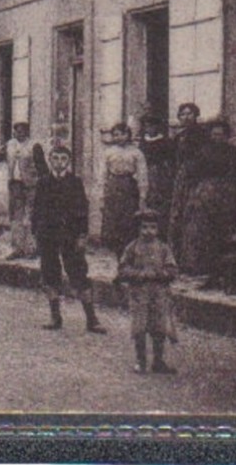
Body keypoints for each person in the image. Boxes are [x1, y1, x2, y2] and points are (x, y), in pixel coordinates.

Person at [31, 144, 106, 334]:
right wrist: (35, 234)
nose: (59, 163)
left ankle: (92, 319)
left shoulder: (75, 182)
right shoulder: (43, 182)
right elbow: (36, 210)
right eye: (55, 158)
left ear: (68, 161)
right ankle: (55, 316)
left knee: (79, 272)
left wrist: (82, 235)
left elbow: (82, 211)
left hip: (70, 235)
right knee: (49, 272)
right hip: (47, 235)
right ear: (50, 160)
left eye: (63, 159)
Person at [176, 118, 236, 276]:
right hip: (205, 193)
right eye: (215, 134)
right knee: (201, 229)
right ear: (210, 135)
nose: (218, 137)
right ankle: (200, 265)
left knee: (226, 228)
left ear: (227, 136)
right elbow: (192, 174)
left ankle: (224, 266)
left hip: (227, 194)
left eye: (221, 134)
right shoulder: (203, 152)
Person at [115, 210, 178, 374]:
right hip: (139, 293)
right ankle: (141, 361)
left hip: (159, 293)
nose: (148, 231)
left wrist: (159, 274)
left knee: (159, 327)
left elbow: (172, 270)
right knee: (139, 326)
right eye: (144, 227)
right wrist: (139, 274)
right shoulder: (132, 247)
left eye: (153, 227)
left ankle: (158, 361)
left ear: (158, 229)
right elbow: (122, 269)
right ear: (138, 229)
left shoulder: (164, 249)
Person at [0, 122, 49, 260]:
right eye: (16, 131)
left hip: (30, 186)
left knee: (30, 217)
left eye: (21, 131)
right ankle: (17, 248)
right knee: (16, 218)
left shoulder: (34, 146)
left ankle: (31, 248)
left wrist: (40, 185)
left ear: (27, 132)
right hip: (15, 185)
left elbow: (43, 169)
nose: (18, 134)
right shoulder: (10, 145)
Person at [99, 123, 148, 255]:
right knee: (113, 225)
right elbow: (102, 175)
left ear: (128, 135)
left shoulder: (136, 152)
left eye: (122, 134)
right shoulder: (108, 152)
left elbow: (142, 175)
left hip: (129, 188)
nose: (119, 137)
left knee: (128, 223)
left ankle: (128, 255)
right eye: (115, 135)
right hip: (113, 188)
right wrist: (101, 197)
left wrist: (142, 197)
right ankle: (117, 254)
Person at [167, 103, 208, 262]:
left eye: (189, 114)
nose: (186, 117)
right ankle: (177, 257)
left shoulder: (203, 136)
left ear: (196, 115)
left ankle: (194, 258)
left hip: (197, 179)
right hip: (180, 180)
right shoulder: (179, 137)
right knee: (178, 215)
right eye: (182, 114)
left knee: (194, 217)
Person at [137, 113, 178, 240]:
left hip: (160, 175)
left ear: (158, 127)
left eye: (152, 126)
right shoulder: (142, 142)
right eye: (147, 126)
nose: (149, 128)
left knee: (161, 202)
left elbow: (171, 160)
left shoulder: (165, 142)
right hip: (144, 173)